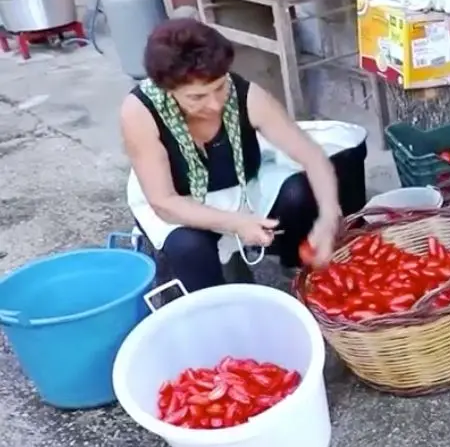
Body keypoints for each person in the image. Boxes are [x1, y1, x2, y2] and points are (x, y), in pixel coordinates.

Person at [122, 18, 359, 291]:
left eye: (219, 88)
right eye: (197, 97)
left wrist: (329, 217)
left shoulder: (245, 95)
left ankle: (298, 273)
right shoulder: (140, 112)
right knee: (190, 247)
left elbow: (313, 157)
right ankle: (216, 302)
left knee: (301, 192)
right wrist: (235, 223)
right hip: (178, 203)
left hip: (240, 190)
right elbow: (164, 202)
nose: (214, 104)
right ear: (168, 90)